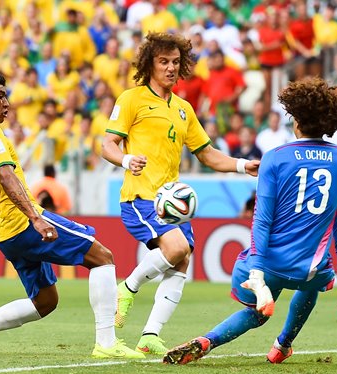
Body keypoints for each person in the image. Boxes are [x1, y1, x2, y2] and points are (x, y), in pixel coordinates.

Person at [0, 71, 143, 359]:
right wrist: (35, 217)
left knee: (45, 301)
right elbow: (6, 175)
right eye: (1, 96)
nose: (7, 103)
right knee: (102, 257)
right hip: (23, 222)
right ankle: (106, 343)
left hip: (4, 235)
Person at [163, 77, 337, 365]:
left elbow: (262, 219)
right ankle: (283, 345)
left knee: (256, 314)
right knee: (312, 284)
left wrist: (257, 271)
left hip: (270, 263)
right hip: (309, 267)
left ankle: (208, 340)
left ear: (295, 119)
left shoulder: (275, 158)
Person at [102, 32, 259, 356]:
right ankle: (127, 288)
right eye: (164, 62)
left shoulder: (184, 109)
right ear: (150, 64)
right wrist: (126, 159)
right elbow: (106, 145)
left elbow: (208, 153)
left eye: (176, 62)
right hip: (141, 196)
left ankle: (149, 335)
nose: (171, 68)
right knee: (175, 248)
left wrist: (244, 166)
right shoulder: (131, 99)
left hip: (171, 205)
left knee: (182, 258)